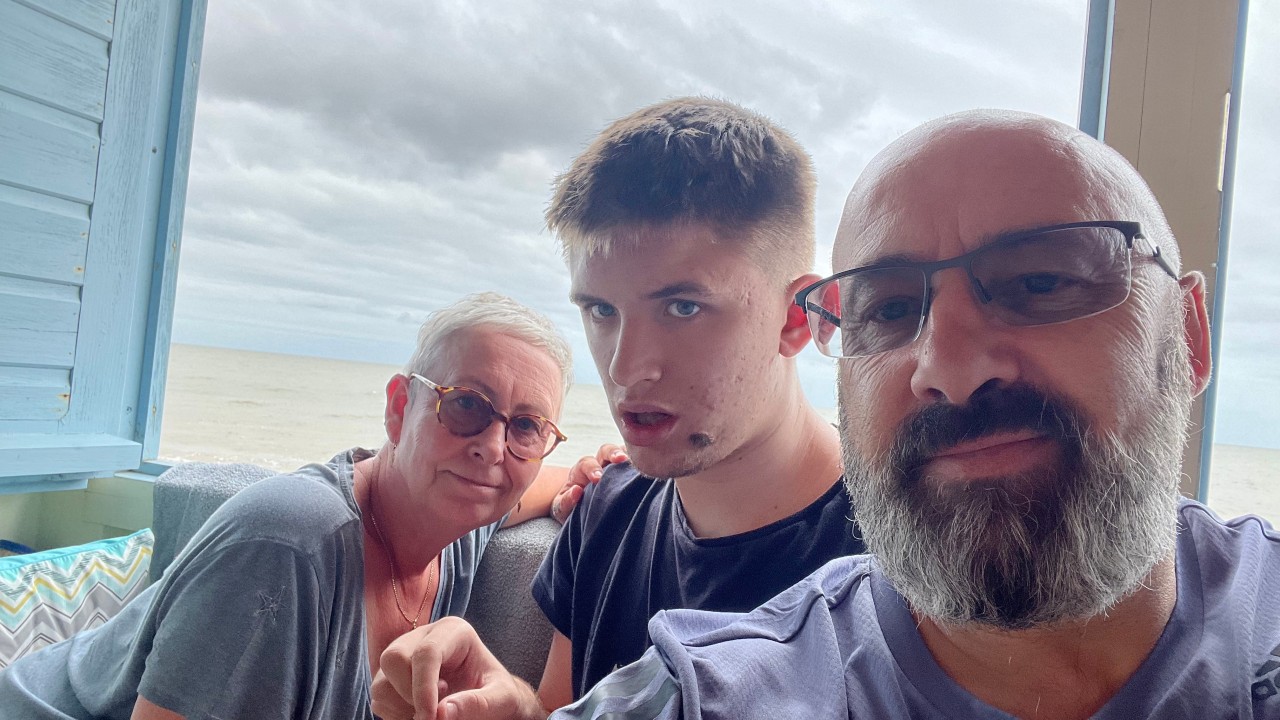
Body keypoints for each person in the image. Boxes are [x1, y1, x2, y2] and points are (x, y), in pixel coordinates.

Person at [549, 110, 1280, 719]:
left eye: (1040, 280)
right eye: (890, 308)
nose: (952, 370)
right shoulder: (710, 692)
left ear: (1187, 337)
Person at [368, 97, 867, 720]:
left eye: (683, 307)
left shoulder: (893, 555)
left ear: (798, 318)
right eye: (602, 311)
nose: (626, 368)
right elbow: (562, 706)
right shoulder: (606, 511)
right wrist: (506, 709)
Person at [0, 292, 579, 719]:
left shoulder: (456, 513)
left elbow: (534, 484)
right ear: (401, 409)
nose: (492, 447)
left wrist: (592, 476)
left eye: (526, 426)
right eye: (467, 406)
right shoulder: (288, 543)